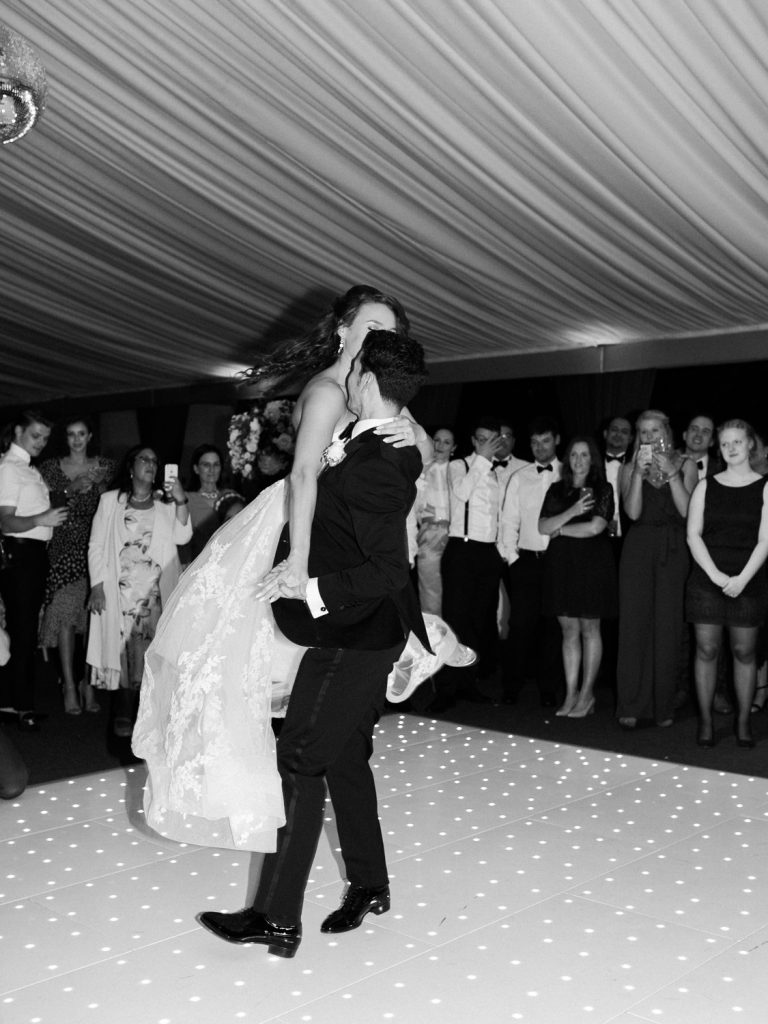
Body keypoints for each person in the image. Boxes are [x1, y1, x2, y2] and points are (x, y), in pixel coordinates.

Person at [132, 286, 433, 849]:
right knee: (294, 713)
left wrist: (418, 438)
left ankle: (351, 877)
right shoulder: (326, 391)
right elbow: (302, 479)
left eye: (389, 331)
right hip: (309, 531)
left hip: (352, 549)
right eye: (371, 327)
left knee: (339, 736)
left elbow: (418, 447)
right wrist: (296, 561)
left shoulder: (374, 386)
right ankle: (300, 864)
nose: (379, 339)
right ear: (343, 331)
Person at [197, 329, 429, 958]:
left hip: (357, 637)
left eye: (354, 368)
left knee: (299, 757)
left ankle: (276, 918)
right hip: (352, 631)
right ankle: (371, 884)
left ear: (369, 384)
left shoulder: (380, 461)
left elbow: (387, 571)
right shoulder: (375, 443)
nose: (344, 376)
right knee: (344, 756)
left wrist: (311, 587)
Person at [86, 445, 192, 738]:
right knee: (120, 648)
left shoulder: (166, 503)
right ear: (131, 467)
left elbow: (184, 535)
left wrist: (181, 498)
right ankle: (122, 709)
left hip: (154, 592)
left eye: (154, 461)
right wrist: (96, 585)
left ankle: (147, 713)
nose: (150, 464)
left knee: (148, 650)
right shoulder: (110, 501)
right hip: (118, 587)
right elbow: (96, 545)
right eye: (144, 459)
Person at [686, 420, 768, 748]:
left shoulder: (765, 487)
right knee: (706, 649)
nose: (731, 448)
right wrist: (717, 577)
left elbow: (766, 540)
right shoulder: (706, 486)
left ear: (750, 445)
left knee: (744, 651)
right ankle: (706, 722)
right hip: (707, 579)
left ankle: (743, 721)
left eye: (737, 442)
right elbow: (693, 534)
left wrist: (741, 579)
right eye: (724, 444)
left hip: (749, 577)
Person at [615, 410, 697, 729]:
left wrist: (673, 474)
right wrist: (637, 473)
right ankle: (631, 704)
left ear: (667, 432)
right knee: (634, 624)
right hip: (638, 547)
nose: (650, 437)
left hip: (674, 548)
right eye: (644, 432)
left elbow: (689, 511)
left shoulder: (686, 464)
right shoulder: (627, 467)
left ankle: (663, 706)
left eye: (655, 430)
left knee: (667, 626)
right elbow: (632, 513)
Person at [39, 417, 114, 715]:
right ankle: (69, 685)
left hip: (95, 547)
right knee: (67, 617)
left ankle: (88, 684)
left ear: (90, 436)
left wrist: (99, 484)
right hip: (63, 547)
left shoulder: (104, 466)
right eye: (71, 435)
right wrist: (70, 488)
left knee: (93, 620)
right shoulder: (50, 468)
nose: (76, 439)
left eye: (81, 434)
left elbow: (112, 503)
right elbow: (43, 505)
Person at [538, 436, 616, 716]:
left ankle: (587, 694)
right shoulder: (557, 489)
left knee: (590, 629)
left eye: (584, 455)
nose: (579, 460)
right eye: (574, 455)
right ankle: (570, 693)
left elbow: (595, 527)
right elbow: (543, 526)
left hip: (593, 564)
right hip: (562, 565)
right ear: (567, 459)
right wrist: (571, 512)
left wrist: (562, 529)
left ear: (592, 459)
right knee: (568, 630)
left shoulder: (602, 488)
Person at [432, 416, 506, 708]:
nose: (488, 444)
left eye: (493, 439)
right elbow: (460, 494)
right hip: (461, 550)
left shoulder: (498, 474)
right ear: (475, 441)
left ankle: (469, 683)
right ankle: (446, 688)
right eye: (482, 439)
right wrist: (483, 460)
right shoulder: (458, 465)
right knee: (455, 620)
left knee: (478, 622)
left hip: (487, 552)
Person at [0, 411, 68, 731]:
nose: (41, 442)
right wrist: (41, 520)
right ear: (17, 432)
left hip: (33, 556)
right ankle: (19, 704)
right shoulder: (10, 469)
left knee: (25, 630)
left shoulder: (28, 469)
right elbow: (6, 522)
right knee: (22, 630)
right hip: (20, 555)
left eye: (44, 437)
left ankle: (17, 702)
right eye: (35, 435)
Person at [498, 416, 563, 706]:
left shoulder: (569, 473)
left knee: (553, 629)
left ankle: (549, 690)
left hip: (559, 561)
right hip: (526, 562)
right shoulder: (520, 476)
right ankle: (511, 688)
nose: (539, 447)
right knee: (520, 627)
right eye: (534, 442)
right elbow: (508, 520)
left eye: (545, 441)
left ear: (557, 440)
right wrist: (512, 558)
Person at [415, 427, 455, 615]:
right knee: (429, 587)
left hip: (453, 534)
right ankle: (432, 636)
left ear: (453, 447)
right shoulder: (420, 469)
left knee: (454, 588)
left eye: (446, 442)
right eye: (437, 440)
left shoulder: (459, 470)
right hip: (429, 533)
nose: (440, 445)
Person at [183, 445, 225, 561]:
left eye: (216, 465)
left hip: (229, 562)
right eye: (206, 465)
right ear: (196, 469)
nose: (212, 470)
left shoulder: (230, 497)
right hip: (198, 564)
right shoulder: (186, 499)